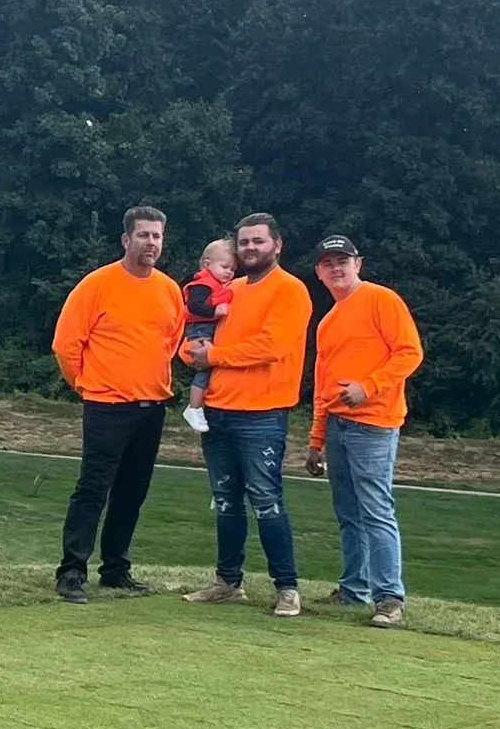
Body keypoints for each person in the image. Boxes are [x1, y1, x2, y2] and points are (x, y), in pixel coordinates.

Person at [51, 205, 184, 604]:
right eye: (143, 235)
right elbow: (66, 344)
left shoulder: (169, 290)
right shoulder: (98, 285)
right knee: (93, 488)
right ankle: (72, 571)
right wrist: (86, 385)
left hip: (152, 406)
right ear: (126, 239)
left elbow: (171, 342)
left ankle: (115, 569)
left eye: (157, 236)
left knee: (132, 491)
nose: (151, 243)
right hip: (106, 405)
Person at [181, 213, 312, 617]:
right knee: (225, 500)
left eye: (258, 241)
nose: (250, 248)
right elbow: (195, 332)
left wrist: (214, 355)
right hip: (217, 410)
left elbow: (270, 346)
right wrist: (190, 353)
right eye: (244, 242)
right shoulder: (230, 288)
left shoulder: (291, 290)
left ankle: (287, 587)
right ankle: (227, 582)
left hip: (261, 413)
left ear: (277, 244)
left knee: (267, 500)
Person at [304, 235, 424, 630]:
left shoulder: (382, 299)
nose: (336, 268)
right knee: (348, 513)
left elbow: (409, 352)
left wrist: (368, 386)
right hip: (337, 424)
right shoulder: (327, 322)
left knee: (375, 510)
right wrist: (316, 440)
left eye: (343, 260)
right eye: (328, 263)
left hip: (374, 423)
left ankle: (389, 596)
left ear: (359, 263)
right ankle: (353, 587)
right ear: (319, 273)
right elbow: (322, 386)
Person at [181, 238, 236, 433]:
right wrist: (215, 311)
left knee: (210, 370)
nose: (229, 272)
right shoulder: (202, 284)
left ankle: (199, 406)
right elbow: (193, 307)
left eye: (232, 269)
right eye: (225, 266)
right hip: (200, 330)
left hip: (206, 329)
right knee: (204, 370)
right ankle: (194, 408)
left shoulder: (219, 285)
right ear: (207, 264)